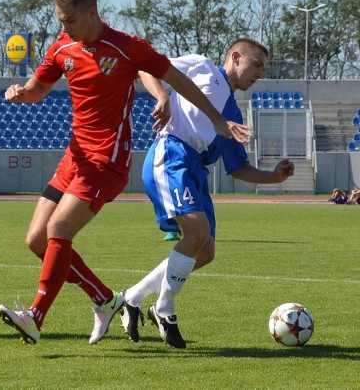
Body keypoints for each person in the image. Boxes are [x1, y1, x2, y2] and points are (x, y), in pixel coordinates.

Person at [0, 0, 251, 345]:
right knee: (37, 240)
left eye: (68, 20)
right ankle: (105, 300)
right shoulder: (62, 46)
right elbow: (38, 88)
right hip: (76, 156)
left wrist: (216, 119)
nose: (62, 27)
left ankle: (35, 316)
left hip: (107, 160)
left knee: (59, 231)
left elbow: (177, 79)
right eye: (59, 20)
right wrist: (22, 93)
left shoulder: (128, 47)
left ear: (92, 13)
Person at [119, 38, 295, 349]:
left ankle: (132, 298)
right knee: (197, 231)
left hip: (195, 170)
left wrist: (273, 176)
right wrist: (163, 96)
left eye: (263, 69)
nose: (259, 74)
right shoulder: (202, 67)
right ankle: (164, 308)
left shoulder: (234, 116)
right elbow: (147, 66)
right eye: (257, 65)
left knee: (205, 251)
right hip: (173, 151)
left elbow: (239, 169)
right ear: (236, 57)